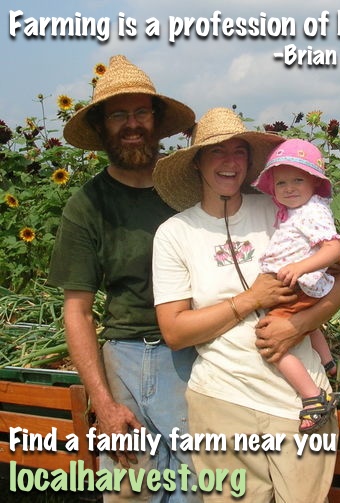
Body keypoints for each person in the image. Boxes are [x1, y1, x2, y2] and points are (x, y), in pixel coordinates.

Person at [152, 107, 340, 502]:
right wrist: (250, 300)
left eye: (239, 151)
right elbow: (175, 332)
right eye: (216, 151)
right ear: (196, 163)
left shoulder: (282, 208)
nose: (229, 161)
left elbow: (338, 287)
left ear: (249, 163)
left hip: (301, 403)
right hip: (221, 401)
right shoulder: (175, 234)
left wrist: (297, 326)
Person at [48, 55, 202, 502]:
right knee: (130, 488)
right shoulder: (88, 205)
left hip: (195, 354)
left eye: (141, 112)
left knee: (197, 485)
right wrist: (104, 403)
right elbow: (77, 311)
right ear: (101, 127)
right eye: (118, 115)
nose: (131, 124)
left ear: (157, 120)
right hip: (125, 360)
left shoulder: (189, 188)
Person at [252, 138, 340, 434]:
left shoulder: (312, 211)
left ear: (315, 182)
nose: (289, 188)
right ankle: (327, 362)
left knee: (270, 342)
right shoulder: (297, 210)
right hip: (300, 284)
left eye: (298, 180)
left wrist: (300, 267)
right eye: (281, 183)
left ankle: (313, 397)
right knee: (307, 324)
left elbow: (333, 249)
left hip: (300, 284)